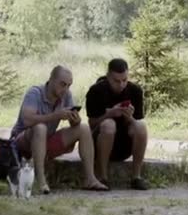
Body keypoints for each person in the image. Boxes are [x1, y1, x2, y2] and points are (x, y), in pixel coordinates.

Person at [11, 65, 108, 194]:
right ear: (51, 80)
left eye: (69, 85)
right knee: (40, 128)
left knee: (83, 128)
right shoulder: (35, 93)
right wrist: (56, 115)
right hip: (23, 142)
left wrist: (75, 120)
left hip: (45, 143)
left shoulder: (66, 95)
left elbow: (74, 124)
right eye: (62, 84)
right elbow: (27, 120)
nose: (65, 89)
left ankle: (90, 179)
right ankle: (41, 181)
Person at [85, 58, 149, 190]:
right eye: (116, 81)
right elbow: (91, 125)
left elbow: (136, 125)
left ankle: (136, 176)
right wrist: (109, 114)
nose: (121, 84)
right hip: (100, 143)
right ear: (108, 77)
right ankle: (103, 177)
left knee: (141, 126)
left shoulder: (135, 91)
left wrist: (129, 118)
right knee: (108, 124)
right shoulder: (96, 91)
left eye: (124, 80)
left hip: (124, 146)